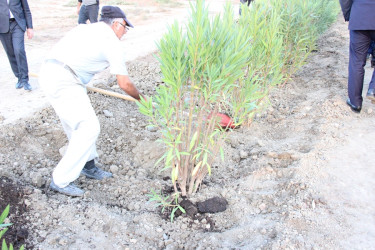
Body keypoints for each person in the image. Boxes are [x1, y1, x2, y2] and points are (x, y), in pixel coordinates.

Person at [39, 6, 146, 197]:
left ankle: (88, 166)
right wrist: (142, 99)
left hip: (51, 73)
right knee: (89, 127)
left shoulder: (86, 28)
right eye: (125, 27)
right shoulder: (110, 41)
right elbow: (124, 83)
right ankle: (61, 181)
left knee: (76, 126)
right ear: (115, 24)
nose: (125, 32)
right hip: (65, 80)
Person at [339, 0, 375, 113]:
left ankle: (355, 102)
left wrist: (350, 14)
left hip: (360, 16)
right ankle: (373, 89)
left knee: (357, 61)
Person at [0, 0, 33, 91]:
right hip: (2, 27)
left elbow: (26, 9)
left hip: (17, 24)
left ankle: (25, 80)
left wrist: (29, 27)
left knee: (19, 50)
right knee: (10, 53)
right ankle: (19, 77)